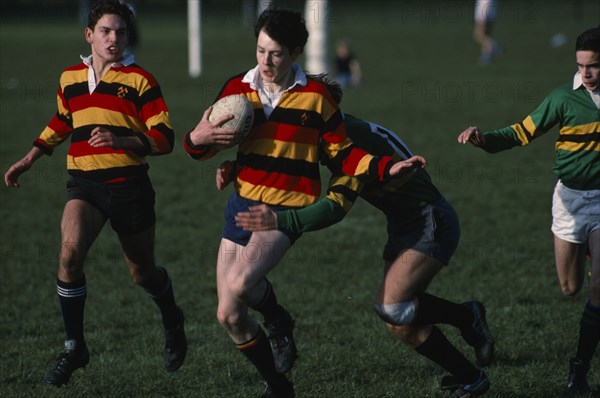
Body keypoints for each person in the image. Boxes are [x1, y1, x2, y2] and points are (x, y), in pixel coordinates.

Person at [184, 9, 415, 398]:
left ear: (296, 52)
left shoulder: (317, 98)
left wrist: (387, 167)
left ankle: (275, 318)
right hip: (242, 202)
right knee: (228, 313)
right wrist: (198, 137)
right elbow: (200, 150)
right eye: (260, 50)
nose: (266, 61)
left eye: (275, 53)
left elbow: (344, 156)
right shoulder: (237, 90)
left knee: (241, 283)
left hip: (284, 209)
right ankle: (278, 382)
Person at [229, 73, 495, 397]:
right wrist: (235, 169)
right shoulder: (334, 131)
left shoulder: (347, 142)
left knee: (392, 307)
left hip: (430, 220)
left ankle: (468, 322)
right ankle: (469, 369)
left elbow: (334, 208)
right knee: (398, 320)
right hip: (404, 221)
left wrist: (281, 220)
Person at [4, 0, 186, 386]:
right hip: (84, 184)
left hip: (129, 187)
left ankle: (172, 318)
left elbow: (165, 138)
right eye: (106, 31)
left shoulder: (140, 80)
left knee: (142, 274)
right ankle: (75, 347)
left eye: (120, 32)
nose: (114, 39)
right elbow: (62, 119)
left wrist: (120, 138)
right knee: (69, 253)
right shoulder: (70, 76)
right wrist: (31, 157)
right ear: (90, 35)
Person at [458, 27, 599, 395]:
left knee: (599, 288)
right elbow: (522, 132)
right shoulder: (563, 98)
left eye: (594, 66)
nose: (587, 73)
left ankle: (579, 369)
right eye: (582, 65)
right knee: (570, 288)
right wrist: (484, 139)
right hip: (569, 202)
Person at [473, 0, 502, 65]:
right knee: (487, 34)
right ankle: (486, 57)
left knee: (478, 34)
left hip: (484, 7)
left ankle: (496, 47)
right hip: (490, 6)